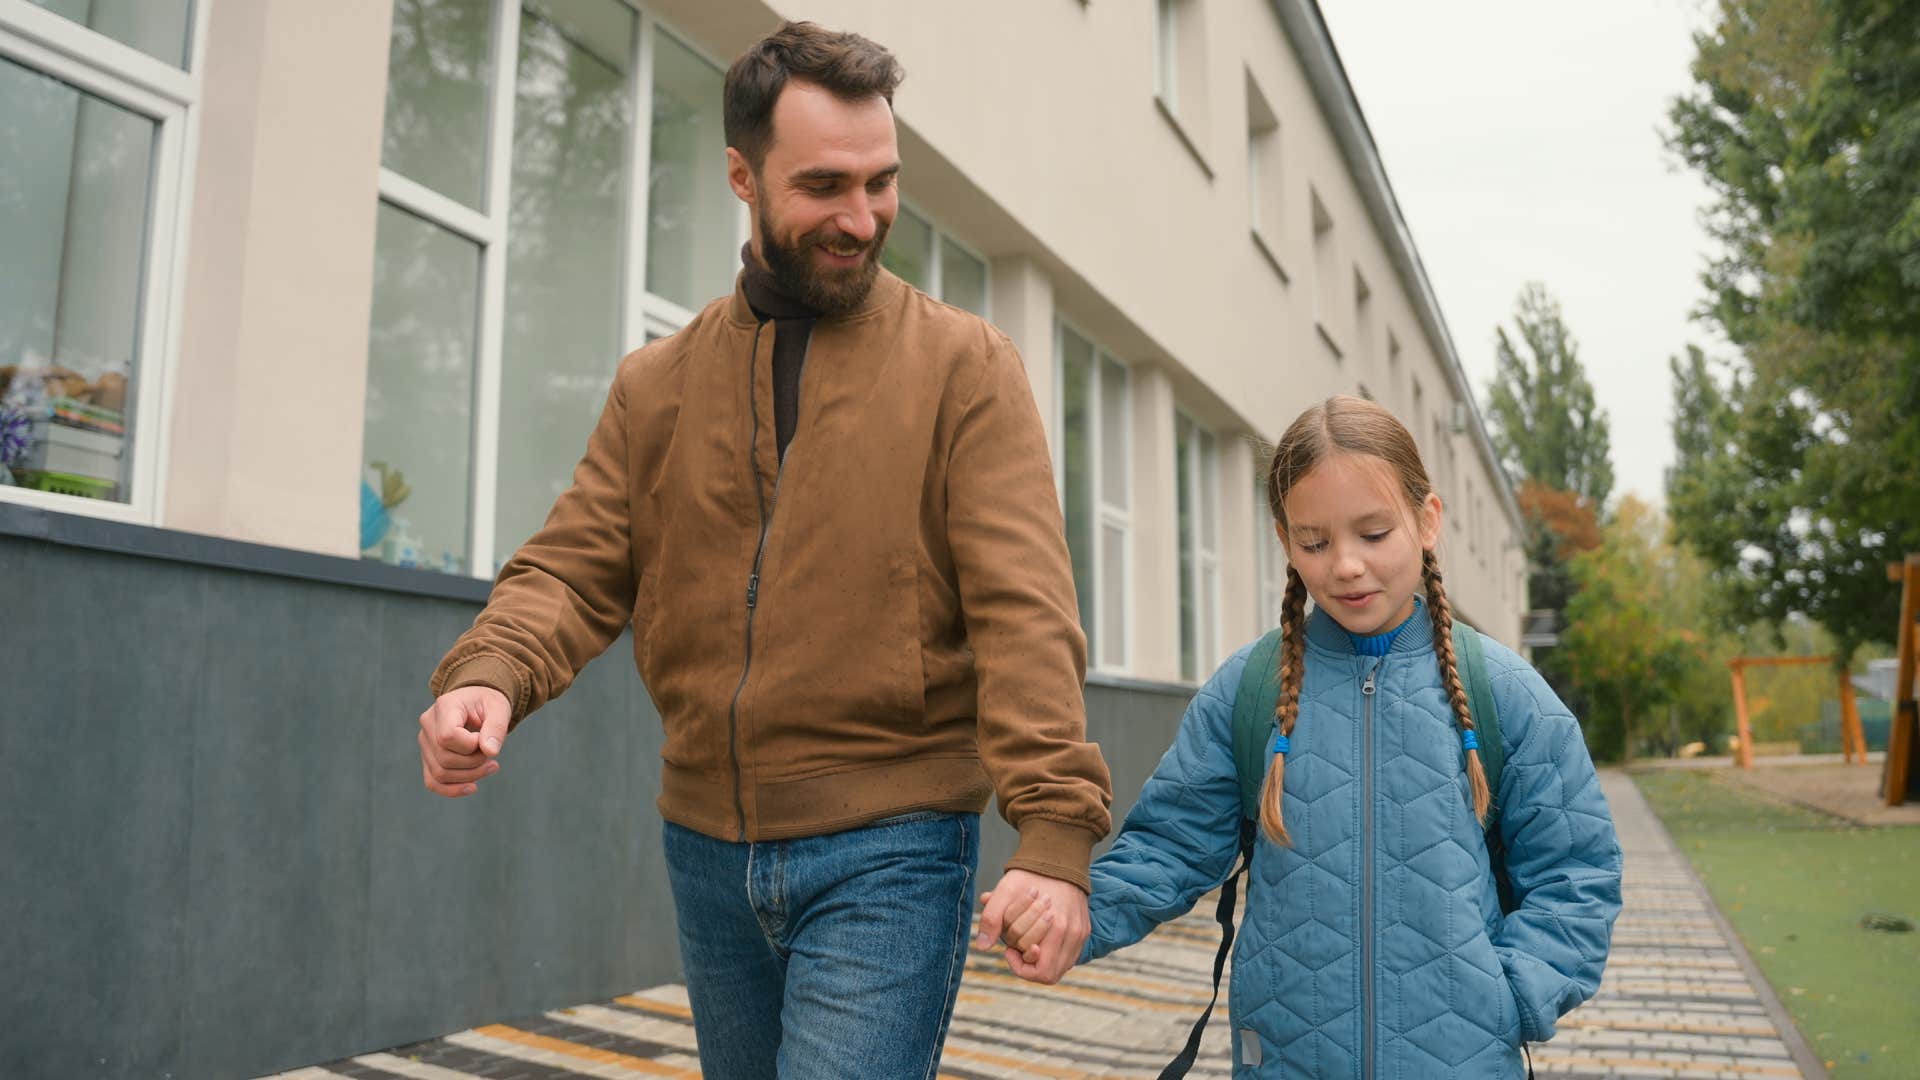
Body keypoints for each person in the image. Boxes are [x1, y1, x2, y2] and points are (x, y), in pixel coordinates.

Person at [413, 21, 1112, 1079]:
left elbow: (1025, 614)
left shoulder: (966, 368)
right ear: (742, 175)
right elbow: (572, 565)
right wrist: (488, 674)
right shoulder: (656, 385)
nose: (862, 215)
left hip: (894, 844)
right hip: (704, 851)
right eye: (825, 185)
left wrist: (1055, 836)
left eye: (881, 182)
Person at [980, 395, 1622, 1078]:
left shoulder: (1506, 692)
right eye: (1315, 542)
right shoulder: (1248, 689)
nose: (1345, 564)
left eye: (1373, 534)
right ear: (1286, 540)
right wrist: (1071, 915)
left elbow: (1577, 873)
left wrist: (1511, 996)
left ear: (1427, 520)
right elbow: (1169, 846)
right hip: (1284, 1060)